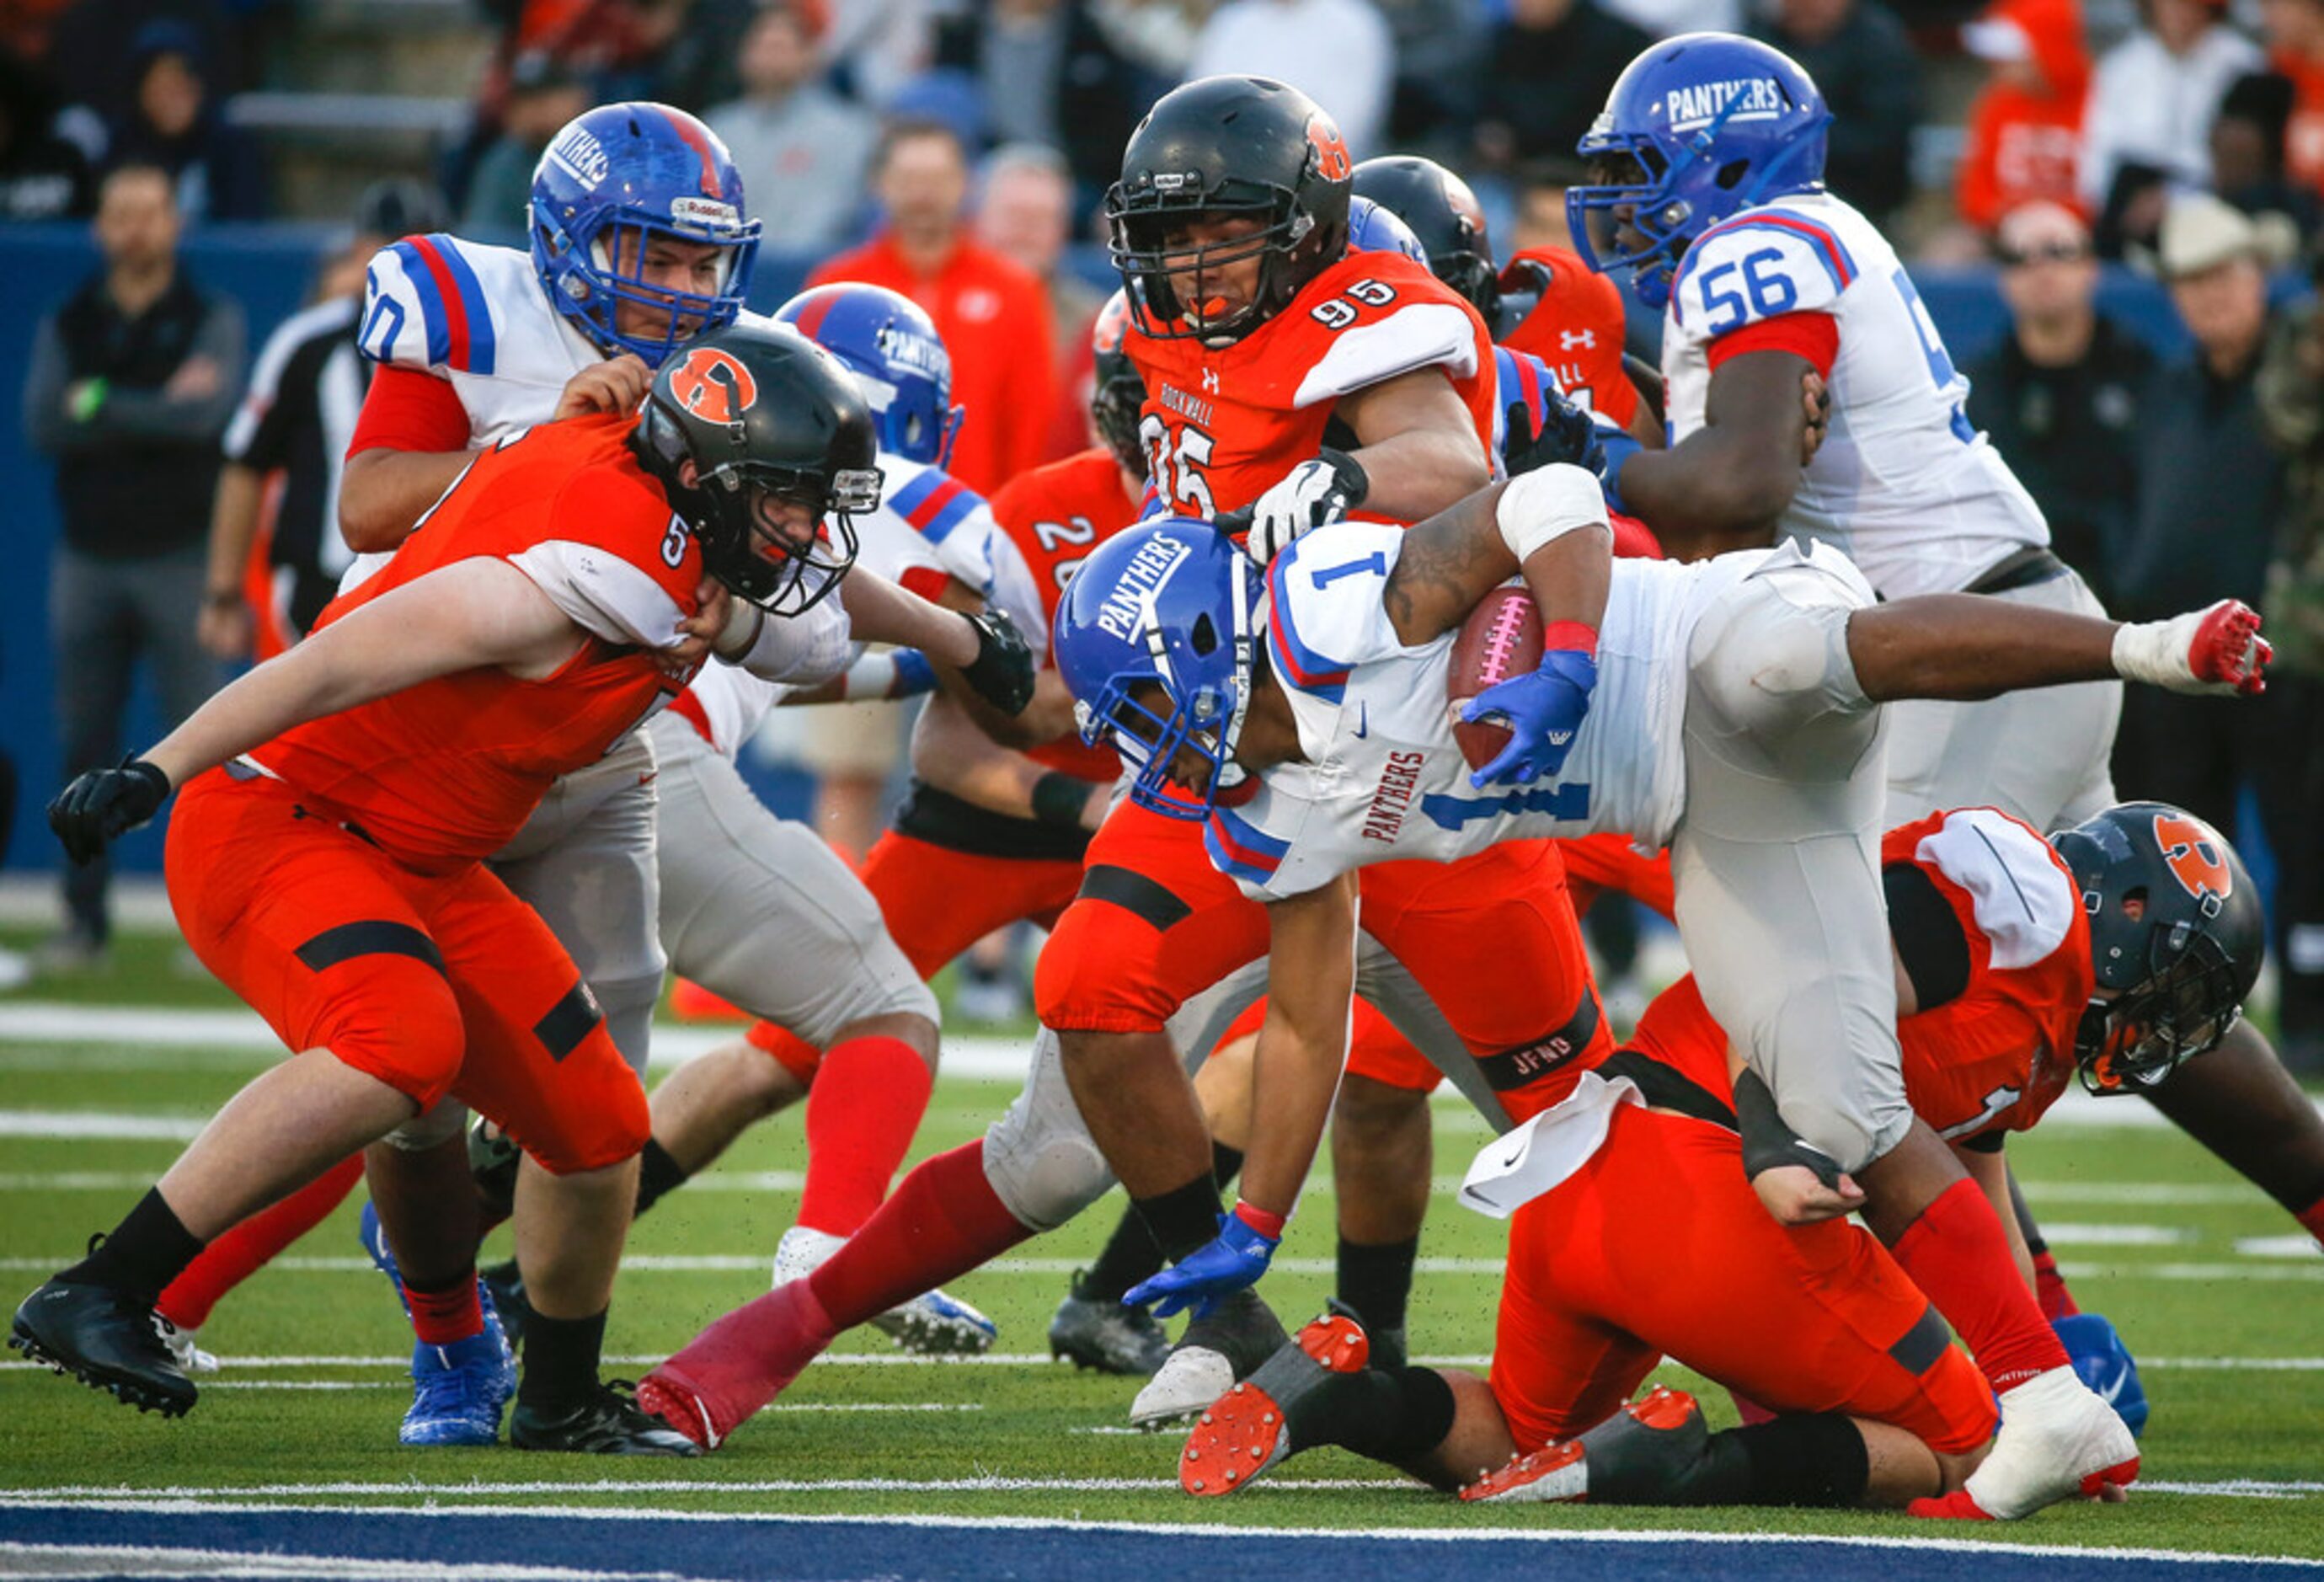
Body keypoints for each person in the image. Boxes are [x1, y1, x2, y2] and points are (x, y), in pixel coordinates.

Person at [625, 74, 1592, 1447]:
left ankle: (1834, 1362)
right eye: (1167, 236)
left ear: (1314, 235)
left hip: (1422, 786)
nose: (1184, 271)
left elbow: (1447, 465)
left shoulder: (1376, 314)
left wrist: (1318, 494)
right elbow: (1019, 697)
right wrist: (917, 621)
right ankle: (805, 1327)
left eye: (1220, 233)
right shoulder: (1138, 382)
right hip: (1238, 767)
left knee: (1587, 1147)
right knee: (1080, 1013)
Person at [1044, 480, 2265, 1513]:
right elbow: (1310, 1024)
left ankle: (2140, 643)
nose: (1145, 753)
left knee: (1796, 661)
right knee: (1838, 1102)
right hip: (1713, 818)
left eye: (1143, 707)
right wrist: (1252, 1222)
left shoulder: (1335, 604)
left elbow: (1551, 495)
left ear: (1204, 636)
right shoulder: (1264, 816)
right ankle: (2028, 1399)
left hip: (1697, 646)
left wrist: (1568, 660)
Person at [5, 322, 877, 1454]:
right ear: (705, 475)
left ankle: (558, 1399)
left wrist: (949, 643)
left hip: (424, 857)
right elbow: (340, 656)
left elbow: (814, 637)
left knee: (599, 1122)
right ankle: (105, 1288)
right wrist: (156, 766)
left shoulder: (676, 538)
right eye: (787, 501)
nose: (806, 529)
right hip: (286, 818)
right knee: (396, 1042)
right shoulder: (574, 574)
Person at [1183, 800, 2265, 1515]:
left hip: (1595, 1170)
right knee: (1971, 1451)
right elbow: (1802, 983)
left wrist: (2040, 1359)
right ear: (2130, 925)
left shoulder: (2028, 1035)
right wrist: (2027, 1407)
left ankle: (1337, 1395)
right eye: (2179, 990)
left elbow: (1958, 1197)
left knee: (1515, 1437)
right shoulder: (2011, 907)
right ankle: (1677, 1471)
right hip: (1713, 1179)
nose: (2167, 1025)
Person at [1568, 34, 2123, 837]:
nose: (1623, 205)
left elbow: (1741, 485)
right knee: (2076, 955)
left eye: (1640, 170)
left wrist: (1603, 462)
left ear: (1719, 161)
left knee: (1880, 946)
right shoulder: (1812, 229)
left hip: (1969, 649)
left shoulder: (1752, 245)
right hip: (2001, 623)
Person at [22, 161, 243, 970]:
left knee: (208, 743)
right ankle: (83, 925)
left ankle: (218, 927)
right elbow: (46, 420)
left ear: (173, 222)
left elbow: (207, 418)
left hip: (180, 558)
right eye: (122, 214)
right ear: (100, 226)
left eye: (151, 211)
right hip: (89, 558)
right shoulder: (71, 317)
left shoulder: (205, 314)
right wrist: (149, 405)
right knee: (85, 738)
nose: (137, 228)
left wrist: (100, 400)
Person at [200, 179, 451, 665]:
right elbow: (246, 463)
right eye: (393, 243)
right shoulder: (307, 342)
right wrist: (224, 591)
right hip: (316, 585)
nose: (410, 263)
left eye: (424, 245)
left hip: (424, 583)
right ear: (360, 250)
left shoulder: (465, 351)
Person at [2111, 192, 2289, 837]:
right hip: (2178, 660)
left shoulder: (2300, 385)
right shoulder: (2164, 390)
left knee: (2303, 838)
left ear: (2258, 277)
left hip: (2287, 663)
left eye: (2221, 274)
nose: (2207, 295)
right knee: (2185, 839)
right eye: (2188, 280)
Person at [809, 118, 1056, 496]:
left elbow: (1032, 422)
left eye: (938, 180)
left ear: (965, 183)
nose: (923, 194)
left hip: (976, 515)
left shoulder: (1014, 289)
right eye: (908, 180)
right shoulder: (835, 287)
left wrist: (1011, 516)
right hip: (858, 512)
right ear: (880, 183)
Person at [1962, 200, 2152, 609]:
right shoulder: (1973, 390)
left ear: (2092, 267)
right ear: (2002, 279)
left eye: (2059, 252)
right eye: (2019, 257)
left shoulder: (2144, 376)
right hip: (2007, 605)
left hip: (2125, 606)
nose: (2041, 269)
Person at [702, 3, 878, 254]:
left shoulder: (848, 131)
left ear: (809, 55)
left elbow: (832, 215)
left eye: (782, 47)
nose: (772, 58)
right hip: (726, 265)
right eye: (763, 46)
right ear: (743, 54)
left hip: (805, 270)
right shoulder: (715, 130)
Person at [2080, 0, 2260, 226]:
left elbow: (2243, 163)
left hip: (2213, 200)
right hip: (2130, 196)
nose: (2179, 14)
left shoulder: (2242, 65)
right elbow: (2099, 151)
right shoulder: (2122, 64)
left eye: (2189, 6)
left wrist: (2177, 197)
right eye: (2169, 5)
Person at [1748, 0, 1921, 227]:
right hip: (1761, 198)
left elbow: (1886, 139)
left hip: (1859, 202)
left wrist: (1798, 135)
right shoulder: (1760, 43)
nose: (1807, 6)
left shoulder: (1879, 42)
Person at [1185, 0, 1395, 158]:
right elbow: (1201, 103)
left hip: (1321, 178)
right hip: (1230, 167)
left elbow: (1351, 122)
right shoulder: (1231, 23)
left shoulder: (1355, 22)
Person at [1954, 0, 2092, 235]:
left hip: (2078, 234)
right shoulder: (1996, 103)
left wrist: (2052, 218)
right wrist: (2005, 216)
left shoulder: (2096, 101)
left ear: (2048, 50)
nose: (1999, 67)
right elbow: (1974, 190)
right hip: (2001, 231)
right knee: (1948, 255)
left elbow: (2100, 192)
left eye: (2014, 59)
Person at [105, 20, 264, 222]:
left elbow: (246, 230)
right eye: (160, 88)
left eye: (180, 87)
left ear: (200, 87)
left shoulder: (230, 143)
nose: (171, 100)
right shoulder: (122, 142)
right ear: (140, 93)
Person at [1472, 0, 1652, 178]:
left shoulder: (1620, 42)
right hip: (1516, 178)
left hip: (1596, 179)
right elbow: (1481, 113)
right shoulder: (1502, 41)